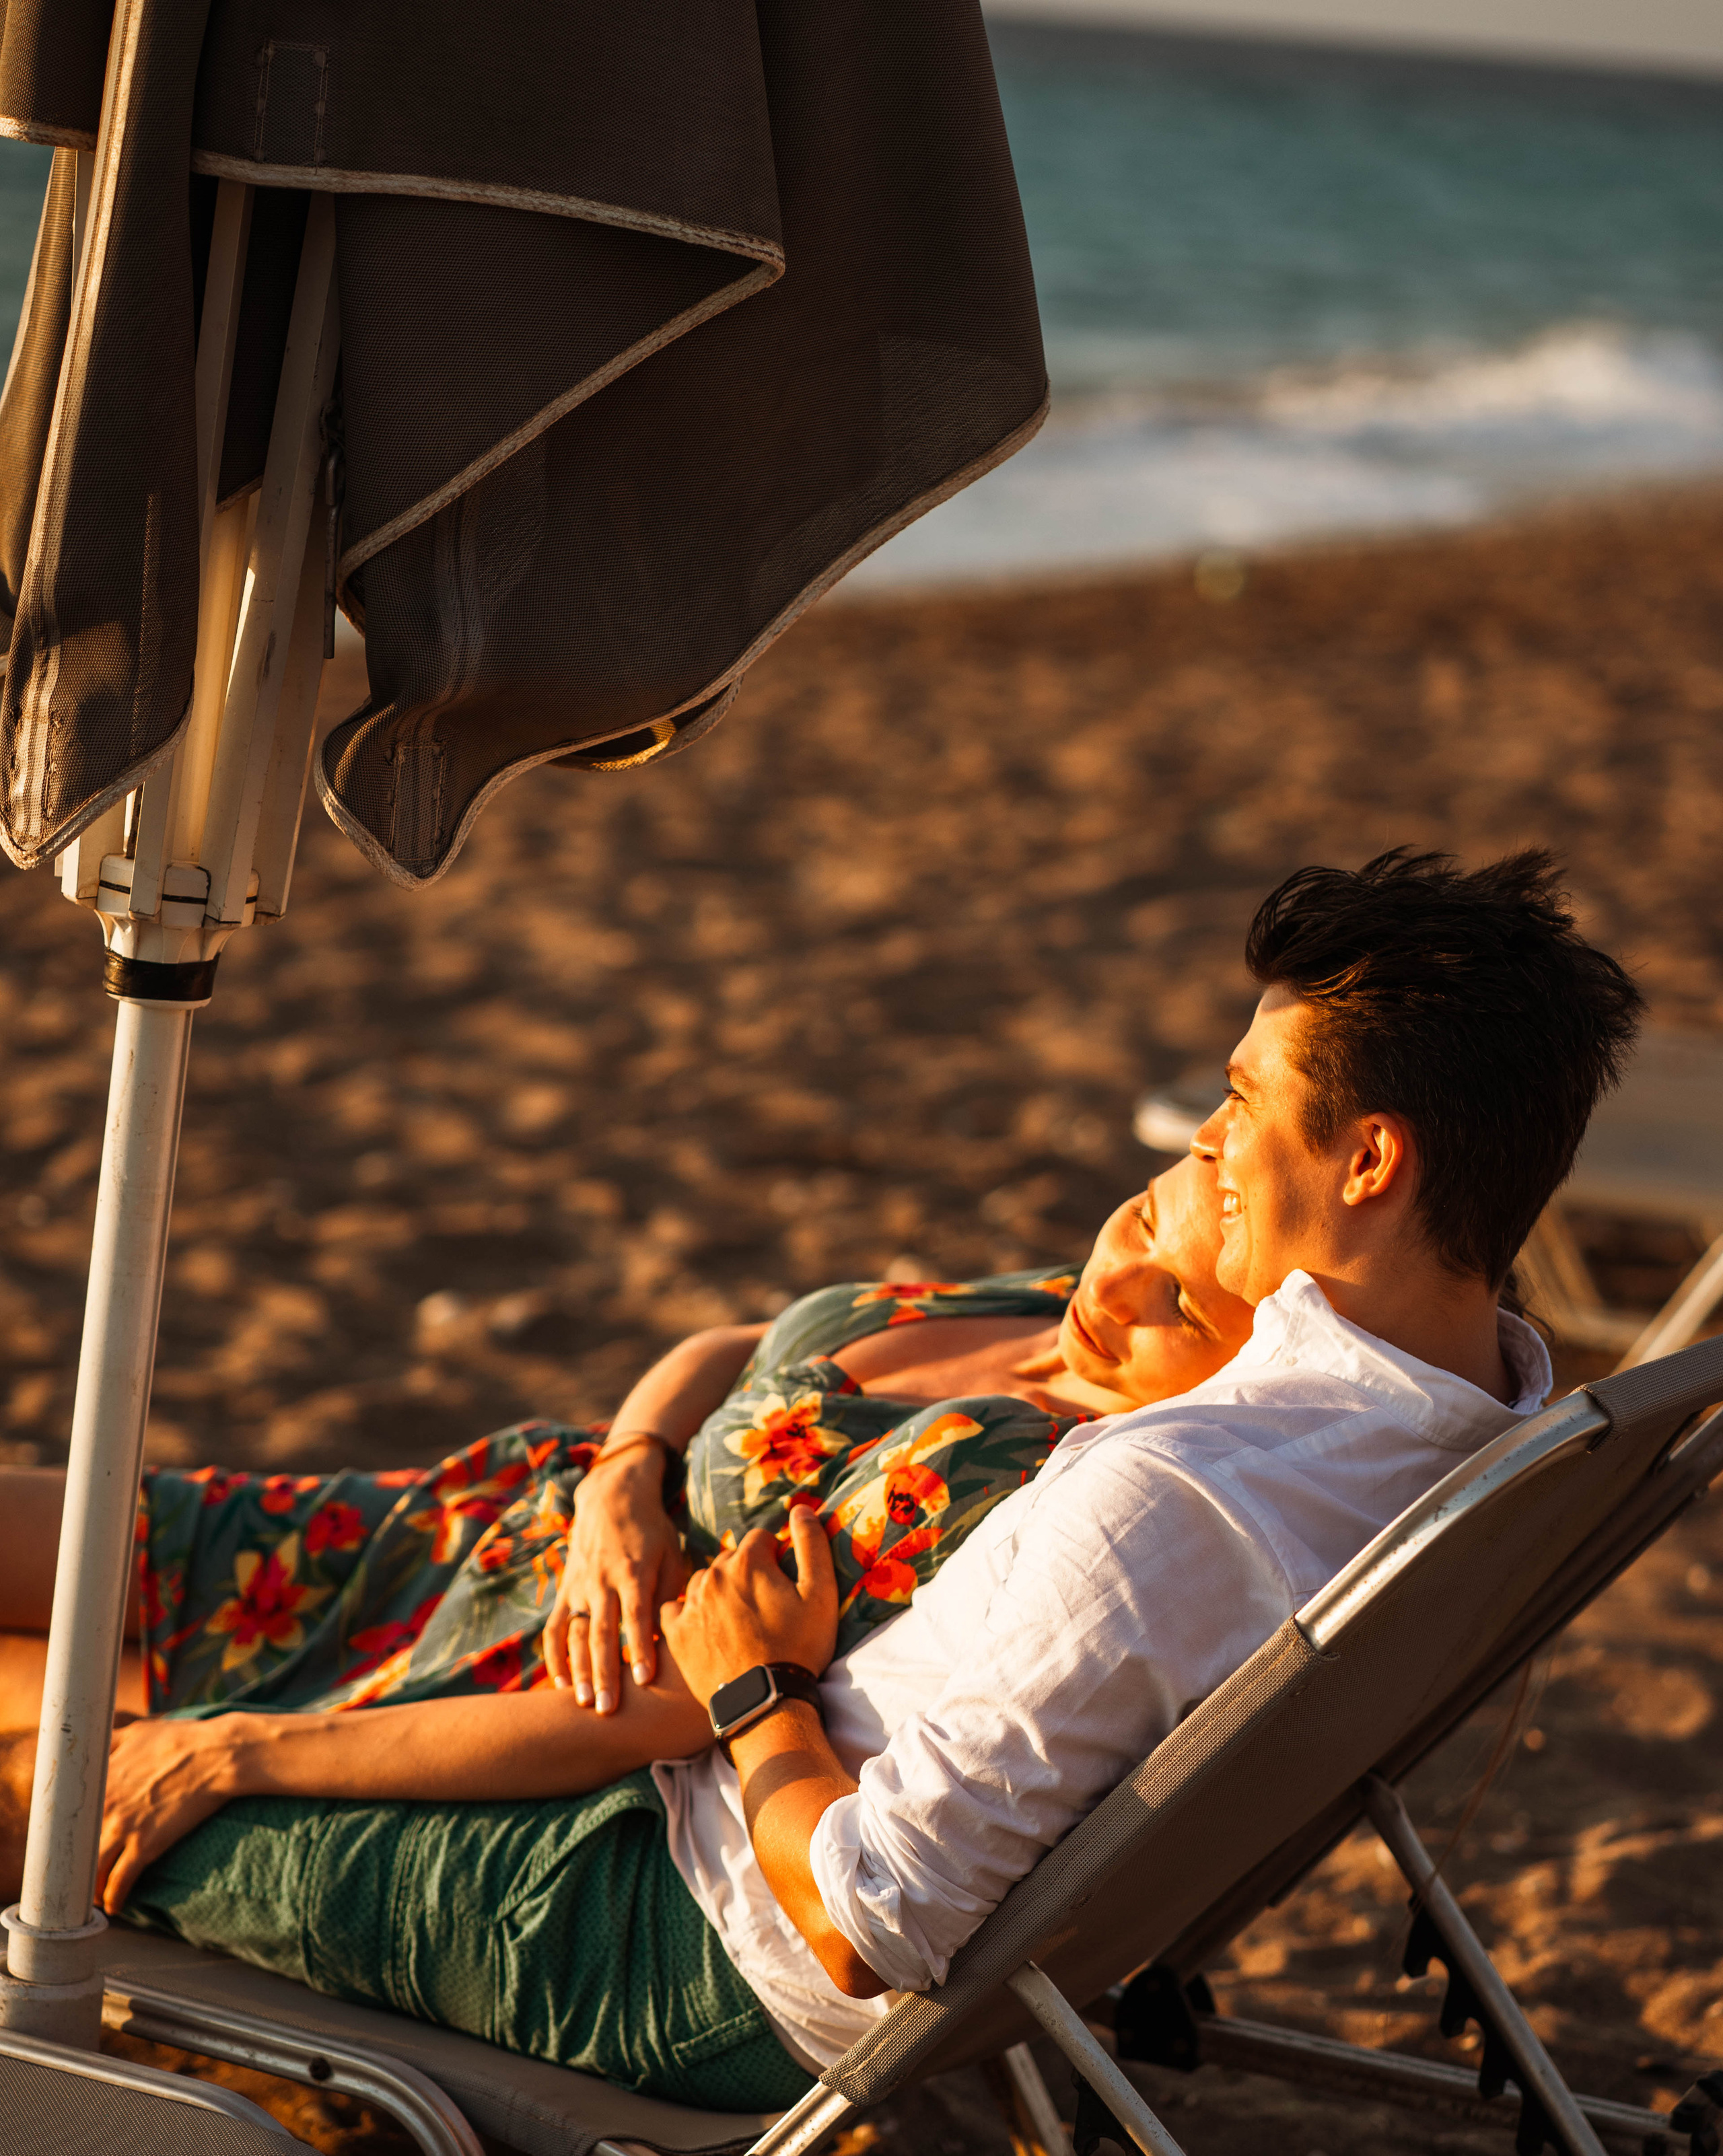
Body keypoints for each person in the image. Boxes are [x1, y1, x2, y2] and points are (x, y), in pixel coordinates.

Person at [2, 849, 1644, 2110]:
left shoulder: (1162, 1491)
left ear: (1368, 1161)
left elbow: (873, 1922)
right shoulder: (1489, 1418)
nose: (1207, 1144)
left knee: (47, 1768)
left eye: (1239, 1104)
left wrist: (754, 1700)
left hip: (675, 1932)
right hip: (677, 1796)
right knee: (85, 1676)